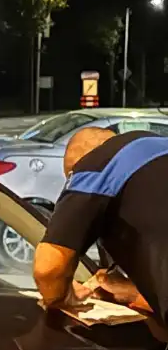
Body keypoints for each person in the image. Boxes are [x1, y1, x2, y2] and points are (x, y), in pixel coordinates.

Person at [32, 127, 168, 337]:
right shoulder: (157, 153)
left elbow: (48, 270)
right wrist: (132, 293)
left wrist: (63, 297)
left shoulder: (98, 166)